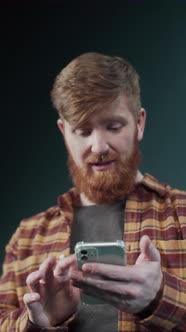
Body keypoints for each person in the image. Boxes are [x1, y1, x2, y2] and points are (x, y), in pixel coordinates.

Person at [0, 52, 185, 332]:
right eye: (83, 131)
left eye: (113, 126)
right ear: (63, 132)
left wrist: (159, 297)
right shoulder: (27, 237)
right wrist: (38, 322)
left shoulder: (182, 215)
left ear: (140, 123)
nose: (98, 146)